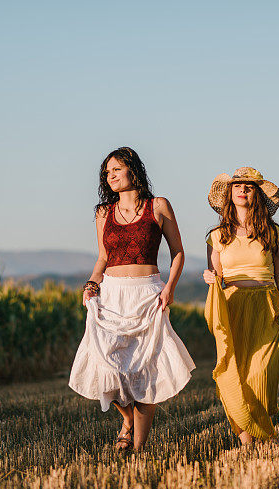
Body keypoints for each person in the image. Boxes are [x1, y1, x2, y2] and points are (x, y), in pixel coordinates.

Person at [69, 147, 195, 452]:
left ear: (133, 170)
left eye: (116, 170)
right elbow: (103, 258)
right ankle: (127, 418)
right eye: (106, 172)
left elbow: (178, 252)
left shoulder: (158, 206)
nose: (110, 176)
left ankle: (138, 447)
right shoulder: (103, 213)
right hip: (112, 294)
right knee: (107, 365)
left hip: (148, 293)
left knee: (145, 370)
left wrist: (170, 288)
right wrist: (91, 284)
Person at [202, 167, 279, 445]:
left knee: (261, 372)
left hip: (267, 305)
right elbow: (216, 276)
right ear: (230, 194)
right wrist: (210, 277)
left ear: (257, 195)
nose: (243, 189)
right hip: (232, 307)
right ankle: (247, 439)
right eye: (237, 186)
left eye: (249, 186)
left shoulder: (272, 232)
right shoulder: (217, 236)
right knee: (235, 373)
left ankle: (260, 429)